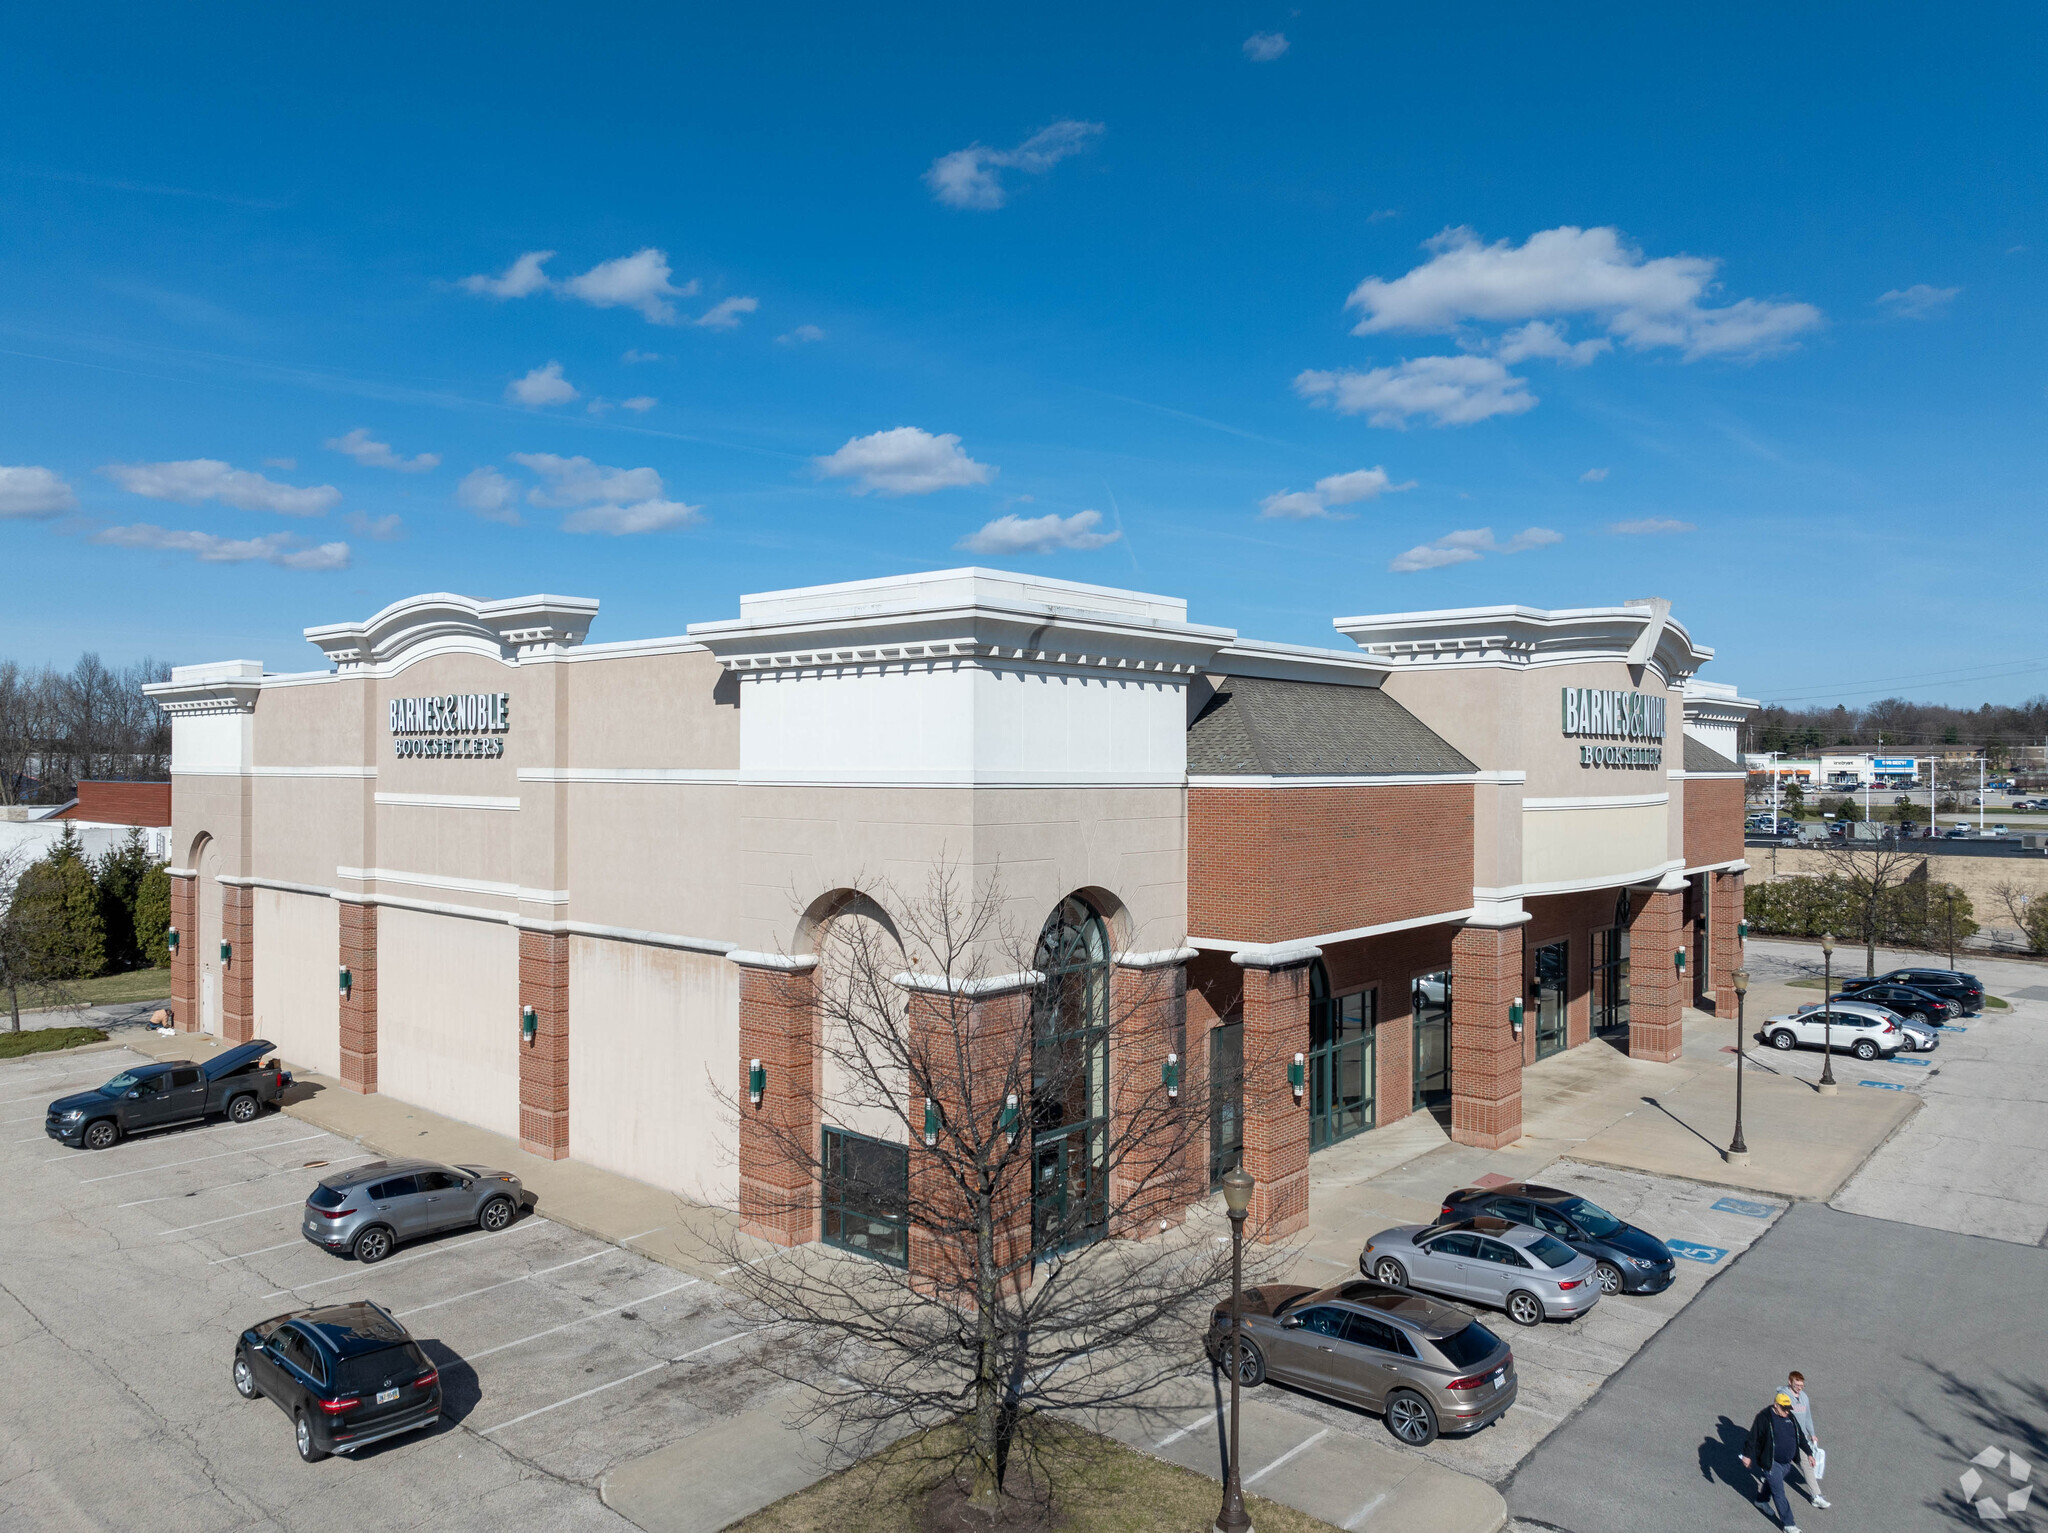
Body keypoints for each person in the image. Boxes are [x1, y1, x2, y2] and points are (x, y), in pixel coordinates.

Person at [1741, 1391, 1814, 1531]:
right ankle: (1789, 1524)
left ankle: (1761, 1500)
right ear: (1776, 1405)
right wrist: (1747, 1455)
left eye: (1788, 1409)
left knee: (1773, 1483)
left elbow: (1800, 1436)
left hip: (1786, 1463)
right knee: (1779, 1492)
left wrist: (1809, 1453)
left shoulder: (1789, 1416)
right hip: (1771, 1462)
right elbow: (1752, 1438)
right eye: (1784, 1409)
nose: (1787, 1412)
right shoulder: (1764, 1418)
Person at [1785, 1371, 1829, 1509]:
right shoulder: (1784, 1397)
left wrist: (1812, 1433)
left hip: (1800, 1438)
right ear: (1789, 1382)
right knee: (1778, 1461)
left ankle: (1816, 1496)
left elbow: (1807, 1417)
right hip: (1786, 1437)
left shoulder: (1804, 1397)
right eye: (1797, 1385)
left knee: (1806, 1465)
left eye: (1802, 1385)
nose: (1799, 1388)